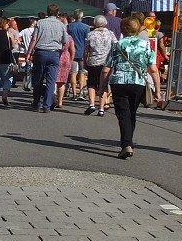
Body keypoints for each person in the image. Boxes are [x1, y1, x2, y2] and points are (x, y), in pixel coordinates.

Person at [100, 16, 163, 158]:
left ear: (123, 29)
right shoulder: (146, 45)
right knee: (132, 113)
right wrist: (158, 91)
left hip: (119, 83)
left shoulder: (117, 45)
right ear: (138, 28)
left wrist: (102, 86)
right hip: (138, 83)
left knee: (123, 113)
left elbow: (106, 69)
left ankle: (126, 144)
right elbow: (153, 70)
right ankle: (128, 142)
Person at [25, 4, 67, 112]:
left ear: (47, 12)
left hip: (41, 52)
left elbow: (34, 39)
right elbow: (65, 41)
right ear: (57, 13)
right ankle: (47, 105)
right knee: (51, 81)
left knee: (38, 79)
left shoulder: (40, 23)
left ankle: (37, 102)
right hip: (54, 53)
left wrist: (29, 53)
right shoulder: (61, 25)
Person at [83, 15, 115, 116]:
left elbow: (86, 50)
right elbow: (115, 46)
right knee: (104, 84)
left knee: (91, 83)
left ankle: (92, 104)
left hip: (93, 61)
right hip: (106, 62)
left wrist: (85, 61)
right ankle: (101, 108)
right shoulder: (110, 34)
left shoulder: (90, 34)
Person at [67, 9, 91, 99]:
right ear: (82, 16)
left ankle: (74, 93)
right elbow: (88, 40)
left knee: (73, 73)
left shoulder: (69, 26)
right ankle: (81, 91)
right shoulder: (86, 27)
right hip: (82, 52)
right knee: (82, 72)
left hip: (72, 52)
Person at [53, 28, 76, 110]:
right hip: (66, 58)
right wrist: (71, 60)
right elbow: (73, 50)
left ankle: (53, 98)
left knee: (54, 79)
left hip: (56, 57)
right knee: (62, 81)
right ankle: (60, 101)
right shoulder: (69, 37)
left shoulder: (55, 36)